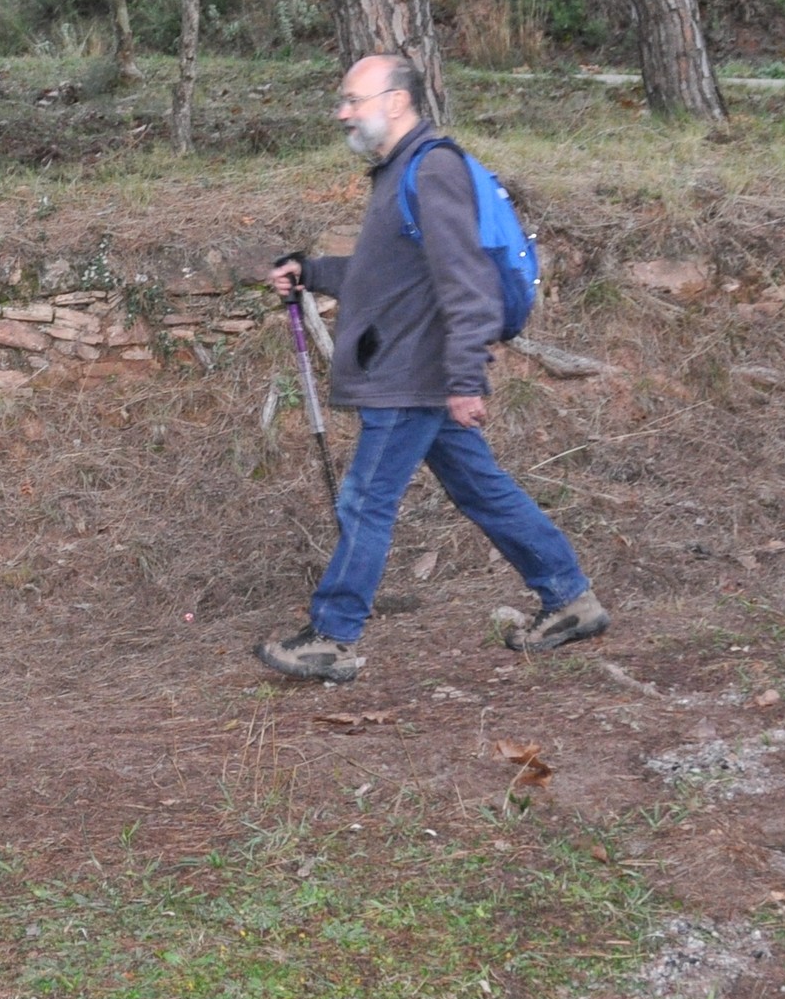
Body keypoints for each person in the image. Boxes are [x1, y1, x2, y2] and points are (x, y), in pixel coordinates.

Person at [260, 55, 609, 682]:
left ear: (396, 101)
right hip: (413, 368)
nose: (342, 113)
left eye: (353, 100)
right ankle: (569, 598)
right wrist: (311, 271)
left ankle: (332, 637)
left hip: (413, 373)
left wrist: (465, 379)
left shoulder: (433, 169)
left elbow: (468, 283)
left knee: (366, 498)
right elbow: (384, 277)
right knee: (481, 488)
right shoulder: (398, 173)